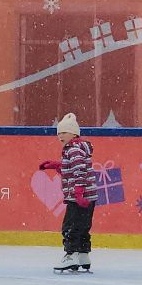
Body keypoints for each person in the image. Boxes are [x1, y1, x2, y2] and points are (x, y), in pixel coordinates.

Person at [39, 112, 96, 273]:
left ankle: (71, 255)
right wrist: (56, 165)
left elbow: (79, 171)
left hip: (78, 197)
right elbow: (73, 168)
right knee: (83, 226)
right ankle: (83, 254)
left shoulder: (73, 150)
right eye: (58, 133)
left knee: (70, 227)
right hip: (89, 196)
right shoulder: (79, 149)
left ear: (74, 133)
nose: (60, 136)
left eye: (63, 132)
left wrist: (78, 192)